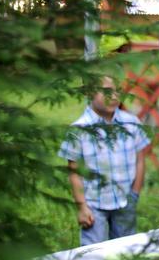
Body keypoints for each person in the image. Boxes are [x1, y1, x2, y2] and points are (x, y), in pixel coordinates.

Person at [59, 76, 150, 246]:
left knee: (126, 251)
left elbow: (140, 159)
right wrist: (82, 206)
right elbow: (74, 171)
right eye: (107, 91)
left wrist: (135, 193)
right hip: (93, 205)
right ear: (90, 92)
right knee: (94, 255)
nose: (114, 96)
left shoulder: (131, 123)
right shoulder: (78, 129)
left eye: (117, 91)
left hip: (125, 200)